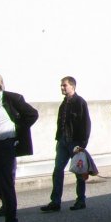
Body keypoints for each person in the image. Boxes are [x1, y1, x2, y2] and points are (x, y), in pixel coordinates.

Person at [0, 71, 39, 222]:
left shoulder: (9, 98)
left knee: (6, 185)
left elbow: (32, 114)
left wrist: (16, 130)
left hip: (4, 146)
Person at [40, 76, 92, 212]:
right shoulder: (64, 103)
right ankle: (55, 202)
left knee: (79, 171)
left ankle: (81, 200)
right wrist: (59, 138)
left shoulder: (80, 102)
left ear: (72, 86)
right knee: (58, 170)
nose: (62, 88)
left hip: (75, 142)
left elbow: (86, 124)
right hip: (62, 141)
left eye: (64, 85)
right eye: (61, 86)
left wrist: (82, 144)